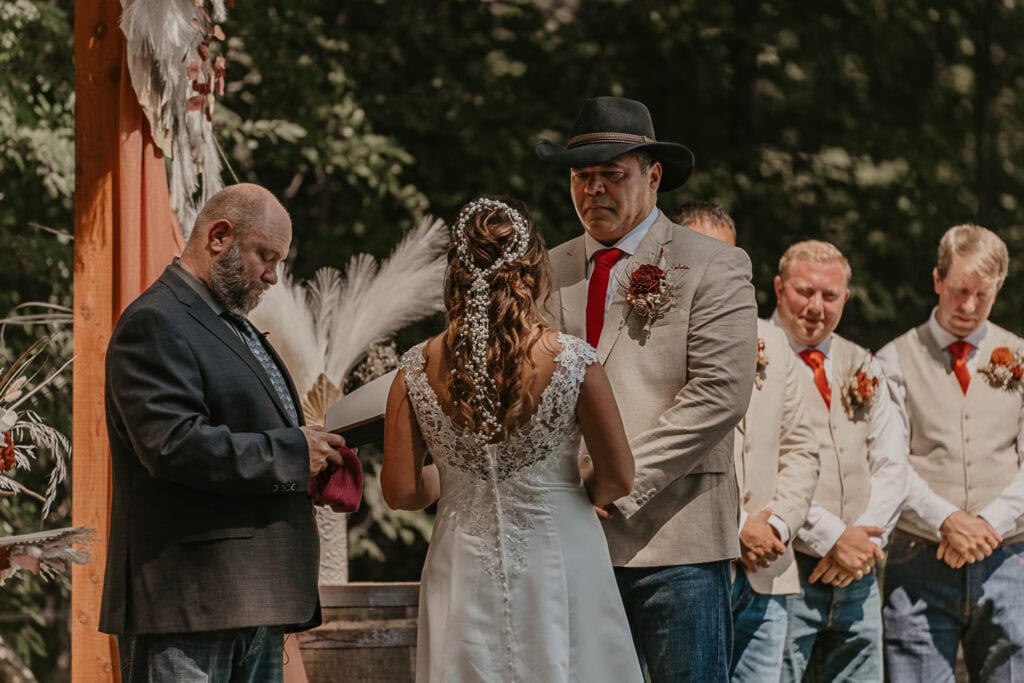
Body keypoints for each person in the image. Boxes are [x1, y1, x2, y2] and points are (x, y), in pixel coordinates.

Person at [537, 96, 758, 681]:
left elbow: (721, 394)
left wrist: (614, 484)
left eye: (614, 173)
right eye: (583, 176)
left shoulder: (714, 264)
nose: (595, 190)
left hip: (676, 543)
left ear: (653, 176)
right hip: (566, 539)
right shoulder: (547, 269)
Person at [381, 197, 643, 682]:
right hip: (560, 553)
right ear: (532, 270)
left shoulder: (414, 369)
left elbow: (400, 491)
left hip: (462, 564)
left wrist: (455, 478)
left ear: (455, 272)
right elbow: (619, 478)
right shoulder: (572, 361)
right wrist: (573, 488)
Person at [99, 183, 348, 682]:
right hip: (190, 606)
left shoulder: (233, 324)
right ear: (219, 236)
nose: (274, 276)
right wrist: (294, 451)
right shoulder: (155, 321)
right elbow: (173, 445)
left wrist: (312, 457)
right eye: (266, 256)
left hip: (252, 599)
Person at [675, 202, 819, 683]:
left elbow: (801, 447)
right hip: (692, 569)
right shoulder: (654, 339)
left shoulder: (773, 343)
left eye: (728, 260)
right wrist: (735, 527)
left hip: (768, 576)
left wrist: (776, 525)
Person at [877, 224, 1024, 681]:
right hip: (918, 558)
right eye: (959, 290)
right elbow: (889, 462)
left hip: (1008, 557)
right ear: (937, 280)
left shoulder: (1019, 355)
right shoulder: (894, 359)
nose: (968, 306)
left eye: (983, 295)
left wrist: (986, 526)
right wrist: (946, 520)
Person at [769, 240, 907, 682]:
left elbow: (891, 461)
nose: (815, 307)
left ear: (845, 297)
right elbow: (757, 467)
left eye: (829, 296)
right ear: (778, 288)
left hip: (858, 575)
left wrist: (862, 543)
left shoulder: (862, 362)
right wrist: (832, 537)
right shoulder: (756, 353)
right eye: (803, 292)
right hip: (784, 571)